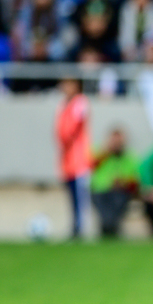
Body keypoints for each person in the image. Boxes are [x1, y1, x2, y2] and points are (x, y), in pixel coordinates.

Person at [55, 78, 93, 239]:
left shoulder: (80, 103)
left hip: (79, 160)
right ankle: (74, 227)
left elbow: (72, 128)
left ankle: (80, 228)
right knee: (71, 197)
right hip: (67, 160)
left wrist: (66, 137)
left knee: (80, 196)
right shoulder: (63, 104)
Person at [91, 126, 139, 238]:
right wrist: (105, 153)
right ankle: (109, 228)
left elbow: (135, 181)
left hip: (120, 192)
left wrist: (123, 182)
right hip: (100, 191)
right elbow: (90, 167)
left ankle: (109, 229)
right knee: (105, 210)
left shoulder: (129, 157)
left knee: (117, 204)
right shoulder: (100, 153)